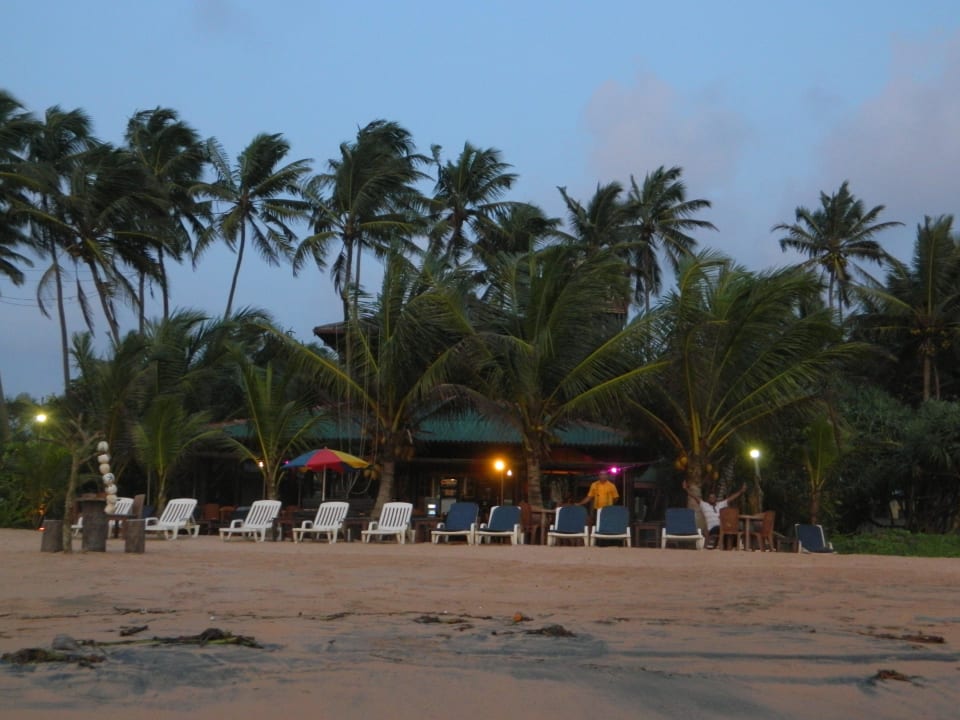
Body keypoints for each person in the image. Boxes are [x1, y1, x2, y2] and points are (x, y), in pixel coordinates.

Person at [683, 480, 747, 549]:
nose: (712, 499)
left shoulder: (720, 505)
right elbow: (694, 497)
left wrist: (741, 491)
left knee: (733, 528)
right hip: (713, 528)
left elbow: (731, 498)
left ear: (716, 498)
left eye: (713, 497)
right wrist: (686, 489)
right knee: (726, 528)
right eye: (710, 498)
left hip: (723, 527)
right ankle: (727, 547)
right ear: (708, 499)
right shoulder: (704, 505)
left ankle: (729, 548)